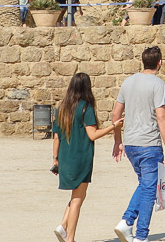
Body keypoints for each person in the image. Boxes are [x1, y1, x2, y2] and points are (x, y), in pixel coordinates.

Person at [52, 72, 123, 242]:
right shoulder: (85, 107)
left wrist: (55, 159)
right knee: (77, 199)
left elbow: (56, 137)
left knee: (77, 195)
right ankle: (70, 238)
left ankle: (63, 226)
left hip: (65, 157)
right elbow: (92, 134)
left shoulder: (61, 109)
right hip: (81, 157)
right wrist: (113, 127)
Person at [111, 47, 165, 242]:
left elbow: (115, 115)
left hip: (131, 143)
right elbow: (161, 115)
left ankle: (127, 221)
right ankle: (141, 235)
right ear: (159, 63)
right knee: (148, 189)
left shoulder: (128, 82)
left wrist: (117, 141)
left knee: (145, 184)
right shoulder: (158, 84)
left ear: (142, 61)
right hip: (149, 144)